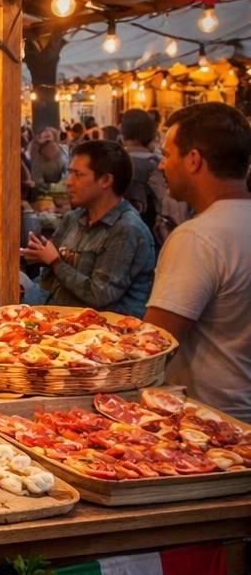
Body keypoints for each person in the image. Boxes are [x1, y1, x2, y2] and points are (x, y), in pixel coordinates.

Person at [144, 103, 251, 419]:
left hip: (209, 416)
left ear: (193, 160)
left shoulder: (197, 238)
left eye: (168, 155)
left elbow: (155, 341)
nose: (162, 165)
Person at [20, 140, 155, 316]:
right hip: (56, 319)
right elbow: (49, 279)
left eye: (78, 175)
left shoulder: (126, 229)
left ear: (106, 180)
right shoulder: (73, 218)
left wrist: (54, 261)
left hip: (102, 329)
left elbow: (100, 295)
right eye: (69, 173)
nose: (68, 182)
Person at [118, 108, 166, 240]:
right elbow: (164, 201)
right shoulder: (159, 163)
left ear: (123, 132)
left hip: (118, 229)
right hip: (151, 231)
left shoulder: (114, 160)